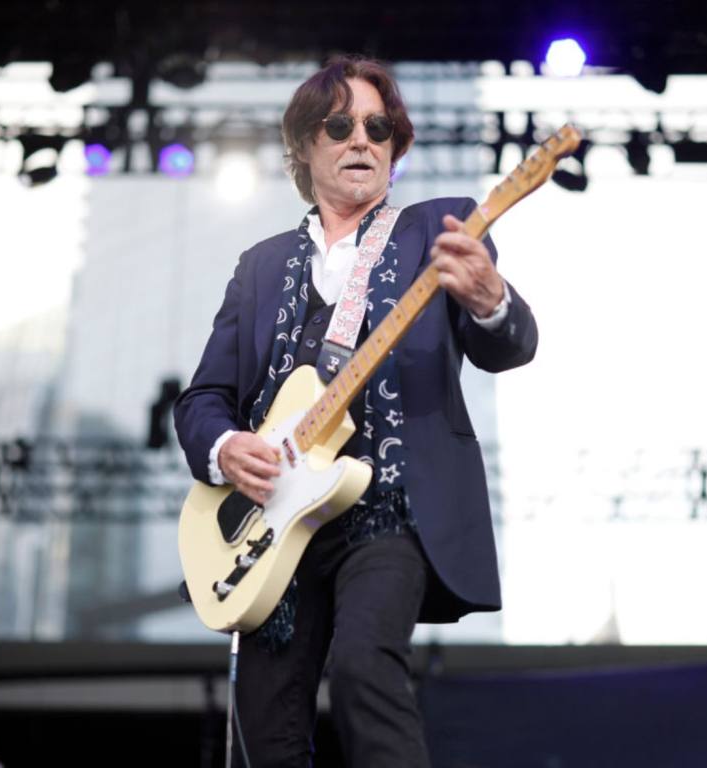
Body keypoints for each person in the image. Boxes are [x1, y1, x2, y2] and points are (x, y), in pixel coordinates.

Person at [174, 55, 538, 767]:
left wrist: (491, 298)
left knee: (365, 667)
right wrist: (226, 448)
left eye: (380, 127)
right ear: (304, 146)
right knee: (265, 728)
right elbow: (204, 399)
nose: (362, 139)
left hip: (386, 511)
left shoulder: (438, 228)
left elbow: (510, 347)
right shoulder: (259, 265)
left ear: (397, 148)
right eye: (340, 125)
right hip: (274, 526)